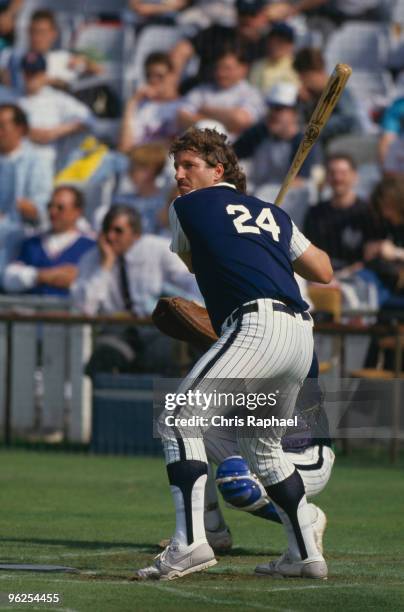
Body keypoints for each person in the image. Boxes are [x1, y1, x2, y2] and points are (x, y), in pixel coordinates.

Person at [135, 127, 333, 581]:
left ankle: (190, 545)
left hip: (256, 323)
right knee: (263, 449)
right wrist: (269, 239)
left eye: (189, 166)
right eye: (176, 167)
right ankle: (304, 555)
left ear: (217, 169)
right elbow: (322, 269)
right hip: (300, 335)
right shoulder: (274, 214)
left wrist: (240, 240)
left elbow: (194, 261)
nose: (179, 175)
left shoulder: (185, 207)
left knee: (179, 417)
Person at [72, 204, 200, 375]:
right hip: (118, 333)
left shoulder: (158, 250)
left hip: (156, 331)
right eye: (106, 230)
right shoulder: (91, 259)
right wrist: (105, 266)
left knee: (163, 357)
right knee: (100, 363)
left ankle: (164, 401)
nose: (110, 237)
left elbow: (191, 282)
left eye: (118, 231)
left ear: (136, 234)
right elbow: (85, 308)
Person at [3, 186, 95, 296]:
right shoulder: (32, 243)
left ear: (77, 211)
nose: (53, 211)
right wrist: (42, 276)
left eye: (60, 208)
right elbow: (9, 279)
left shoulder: (90, 247)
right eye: (50, 206)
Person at [170, 0, 270, 93]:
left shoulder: (269, 45)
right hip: (203, 90)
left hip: (241, 98)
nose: (246, 19)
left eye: (252, 15)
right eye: (242, 13)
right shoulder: (217, 33)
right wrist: (172, 83)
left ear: (264, 16)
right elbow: (182, 50)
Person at [233, 81, 320, 188]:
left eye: (279, 108)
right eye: (270, 107)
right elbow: (231, 156)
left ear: (295, 112)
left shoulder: (304, 143)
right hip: (255, 195)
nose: (273, 113)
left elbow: (300, 181)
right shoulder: (259, 132)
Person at [18, 52, 94, 169]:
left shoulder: (56, 99)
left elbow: (89, 120)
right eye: (27, 73)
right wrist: (28, 133)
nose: (30, 78)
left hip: (45, 163)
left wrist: (55, 132)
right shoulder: (10, 98)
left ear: (44, 74)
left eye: (35, 73)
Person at [303, 154, 377, 272]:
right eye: (332, 173)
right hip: (320, 276)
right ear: (327, 177)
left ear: (355, 176)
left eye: (343, 173)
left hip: (356, 277)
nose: (338, 178)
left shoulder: (368, 213)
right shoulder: (315, 213)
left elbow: (372, 255)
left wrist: (344, 274)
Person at [0, 9, 104, 92]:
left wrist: (48, 81)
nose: (37, 37)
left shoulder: (65, 58)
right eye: (33, 31)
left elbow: (99, 72)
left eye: (42, 32)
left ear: (53, 34)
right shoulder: (10, 55)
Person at [178, 49, 265, 141]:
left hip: (232, 150)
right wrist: (225, 120)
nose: (221, 73)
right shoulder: (202, 90)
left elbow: (239, 120)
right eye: (218, 68)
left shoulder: (251, 93)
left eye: (227, 68)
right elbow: (181, 117)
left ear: (243, 69)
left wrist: (204, 110)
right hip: (195, 147)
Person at [293, 47, 363, 145]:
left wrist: (315, 127)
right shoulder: (309, 95)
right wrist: (305, 103)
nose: (303, 83)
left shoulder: (338, 90)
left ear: (318, 71)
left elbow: (349, 119)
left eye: (305, 77)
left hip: (346, 144)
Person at [118, 52, 181, 152]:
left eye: (159, 76)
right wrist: (132, 102)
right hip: (136, 159)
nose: (153, 80)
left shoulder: (184, 105)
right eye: (149, 76)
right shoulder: (139, 105)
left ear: (172, 76)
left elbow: (176, 144)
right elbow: (124, 147)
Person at [249, 21, 300, 94]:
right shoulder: (257, 65)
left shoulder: (298, 67)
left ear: (291, 45)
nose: (275, 46)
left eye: (281, 42)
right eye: (272, 41)